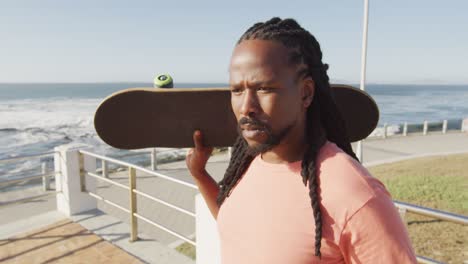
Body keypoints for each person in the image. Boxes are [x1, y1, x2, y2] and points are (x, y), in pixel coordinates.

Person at [186, 17, 417, 263]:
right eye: (237, 90)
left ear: (305, 93)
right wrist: (201, 175)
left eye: (264, 88)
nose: (246, 107)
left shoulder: (354, 194)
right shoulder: (251, 162)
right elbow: (241, 229)